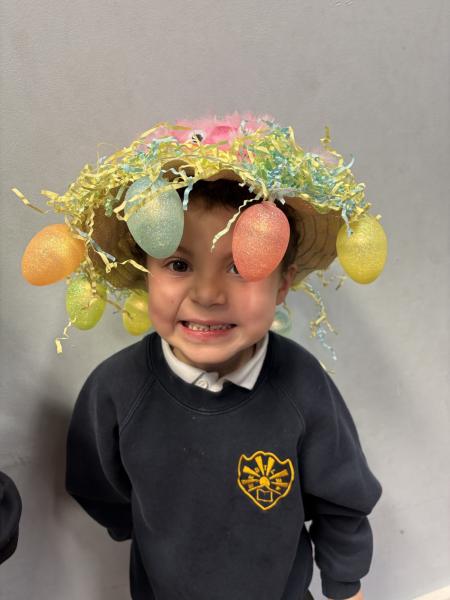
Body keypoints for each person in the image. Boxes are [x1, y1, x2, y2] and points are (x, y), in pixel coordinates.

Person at [18, 114, 386, 599]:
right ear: (146, 272)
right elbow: (100, 489)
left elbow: (341, 501)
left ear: (283, 284)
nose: (208, 294)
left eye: (240, 267)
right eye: (178, 264)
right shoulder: (114, 390)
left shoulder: (302, 384)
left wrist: (345, 585)